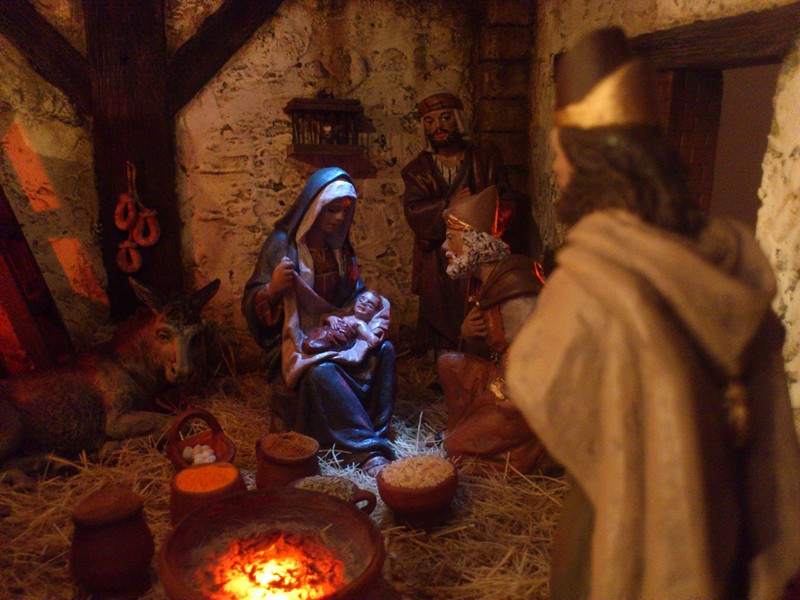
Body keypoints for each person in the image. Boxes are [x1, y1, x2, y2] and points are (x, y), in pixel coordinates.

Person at [506, 27, 800, 599]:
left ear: (587, 159)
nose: (556, 164)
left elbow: (536, 379)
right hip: (727, 506)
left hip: (620, 517)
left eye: (560, 148)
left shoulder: (595, 275)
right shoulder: (728, 252)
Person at [242, 167, 396, 475]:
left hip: (339, 332)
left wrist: (364, 313)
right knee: (321, 373)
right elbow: (252, 304)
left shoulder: (340, 249)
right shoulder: (282, 245)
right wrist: (272, 289)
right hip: (297, 340)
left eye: (345, 211)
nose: (339, 218)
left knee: (384, 352)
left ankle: (373, 429)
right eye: (331, 209)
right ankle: (365, 450)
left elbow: (354, 294)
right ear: (314, 206)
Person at [401, 90, 531, 355]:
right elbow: (414, 211)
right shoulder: (417, 170)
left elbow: (507, 202)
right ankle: (442, 355)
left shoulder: (484, 160)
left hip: (474, 251)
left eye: (445, 118)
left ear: (457, 120)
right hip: (437, 253)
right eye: (429, 121)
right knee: (439, 304)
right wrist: (448, 206)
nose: (438, 127)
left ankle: (476, 352)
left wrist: (478, 210)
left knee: (473, 299)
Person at [436, 184, 549, 474]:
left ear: (472, 243)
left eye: (451, 238)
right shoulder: (488, 283)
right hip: (501, 380)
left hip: (523, 400)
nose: (445, 247)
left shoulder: (517, 288)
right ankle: (462, 430)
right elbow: (494, 342)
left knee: (456, 449)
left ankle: (533, 454)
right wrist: (468, 332)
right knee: (449, 364)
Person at [301, 290, 383, 354]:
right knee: (320, 332)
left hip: (335, 337)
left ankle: (311, 345)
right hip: (325, 330)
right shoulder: (344, 314)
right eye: (362, 299)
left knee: (325, 335)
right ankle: (309, 342)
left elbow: (369, 336)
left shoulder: (359, 323)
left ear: (375, 313)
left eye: (370, 305)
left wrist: (373, 338)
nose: (364, 303)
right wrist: (331, 318)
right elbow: (324, 317)